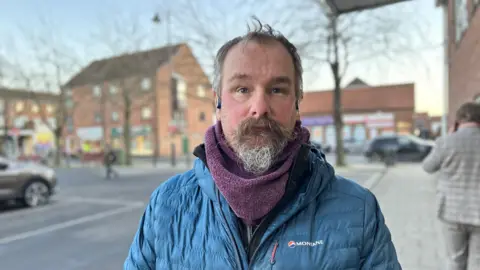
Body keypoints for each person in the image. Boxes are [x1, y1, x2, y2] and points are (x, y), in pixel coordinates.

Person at [124, 20, 400, 269]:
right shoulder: (167, 204)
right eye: (242, 89)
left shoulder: (359, 211)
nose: (259, 108)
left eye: (277, 90)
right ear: (217, 103)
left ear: (297, 104)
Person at [422, 102, 480, 270]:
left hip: (452, 211)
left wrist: (449, 136)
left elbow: (428, 167)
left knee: (455, 260)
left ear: (458, 121)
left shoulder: (446, 142)